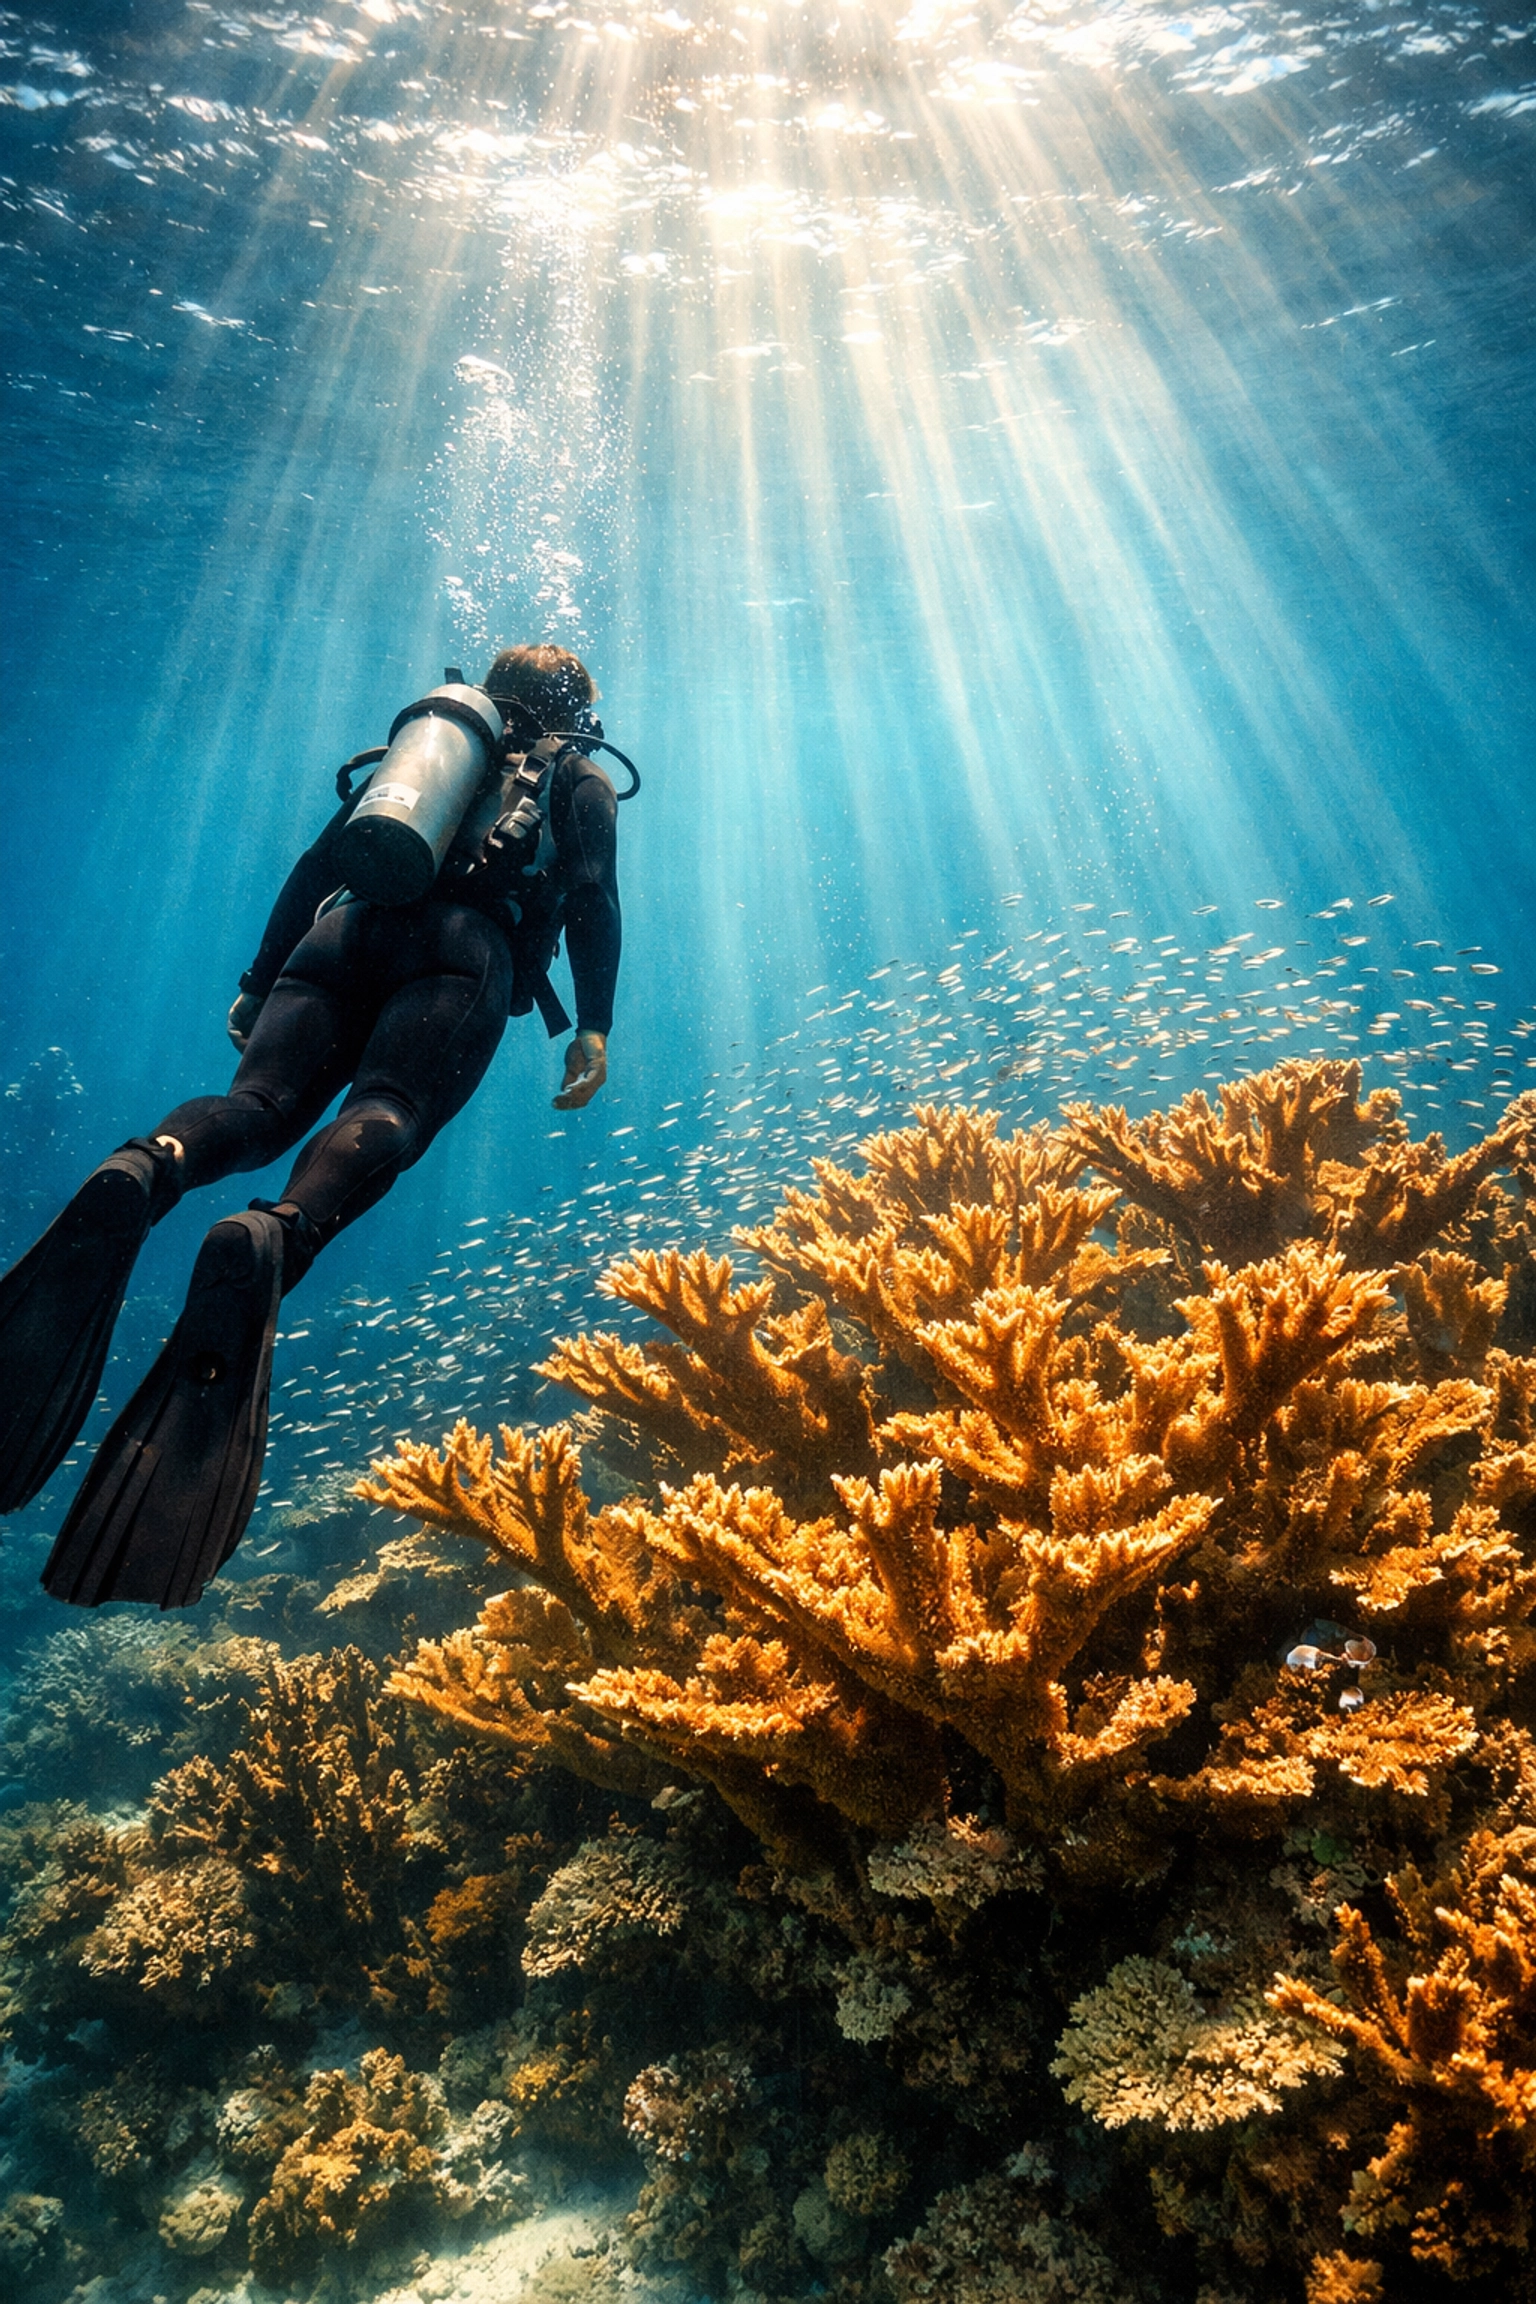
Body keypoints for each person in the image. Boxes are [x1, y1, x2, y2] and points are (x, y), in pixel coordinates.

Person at [0, 642, 621, 1610]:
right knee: (390, 1109)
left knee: (255, 1108)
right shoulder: (576, 777)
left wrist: (258, 980)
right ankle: (276, 1234)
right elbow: (590, 897)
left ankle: (148, 1167)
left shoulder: (422, 756)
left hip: (341, 933)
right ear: (577, 712)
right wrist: (593, 1024)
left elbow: (318, 864)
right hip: (463, 951)